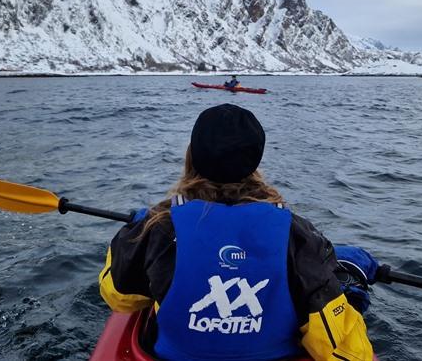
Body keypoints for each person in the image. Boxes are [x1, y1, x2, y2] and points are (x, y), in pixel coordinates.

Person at [99, 104, 377, 360]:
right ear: (255, 161)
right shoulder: (297, 235)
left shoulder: (157, 227)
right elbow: (347, 354)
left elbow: (118, 296)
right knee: (346, 284)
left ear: (192, 156)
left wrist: (136, 232)